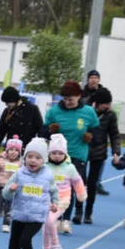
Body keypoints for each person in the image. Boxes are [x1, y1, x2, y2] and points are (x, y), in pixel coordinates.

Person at [2, 137, 58, 249]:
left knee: (25, 240)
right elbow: (5, 194)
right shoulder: (19, 174)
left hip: (37, 216)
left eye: (38, 158)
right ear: (24, 158)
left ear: (44, 160)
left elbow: (54, 191)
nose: (33, 161)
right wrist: (10, 190)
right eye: (30, 157)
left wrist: (55, 203)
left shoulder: (48, 175)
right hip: (19, 214)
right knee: (13, 245)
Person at [43, 80, 98, 225]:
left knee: (70, 187)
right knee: (54, 186)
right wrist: (51, 130)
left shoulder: (88, 112)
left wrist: (90, 137)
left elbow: (96, 131)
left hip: (77, 154)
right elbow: (43, 131)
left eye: (71, 99)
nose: (67, 102)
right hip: (56, 155)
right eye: (65, 99)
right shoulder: (54, 111)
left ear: (79, 96)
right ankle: (55, 215)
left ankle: (66, 219)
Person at [40, 134, 86, 249]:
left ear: (65, 154)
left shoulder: (70, 167)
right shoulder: (45, 166)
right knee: (46, 226)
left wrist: (81, 194)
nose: (57, 156)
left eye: (60, 153)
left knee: (49, 220)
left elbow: (77, 181)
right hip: (46, 200)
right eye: (53, 153)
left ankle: (55, 245)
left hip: (62, 200)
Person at [82, 88, 120, 224]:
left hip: (99, 151)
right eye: (105, 103)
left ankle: (88, 213)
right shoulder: (85, 110)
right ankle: (78, 210)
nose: (108, 106)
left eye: (109, 103)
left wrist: (116, 152)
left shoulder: (110, 115)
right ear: (98, 103)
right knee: (80, 181)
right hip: (83, 149)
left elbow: (114, 134)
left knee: (93, 183)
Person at [0, 86, 44, 158]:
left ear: (14, 100)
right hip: (10, 152)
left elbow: (41, 130)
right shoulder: (7, 112)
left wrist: (40, 149)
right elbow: (0, 134)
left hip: (27, 152)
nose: (6, 105)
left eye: (8, 102)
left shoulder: (32, 109)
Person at [80, 70, 111, 196]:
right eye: (91, 77)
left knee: (100, 158)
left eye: (96, 77)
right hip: (86, 130)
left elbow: (108, 108)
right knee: (83, 159)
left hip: (100, 130)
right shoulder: (83, 93)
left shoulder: (103, 92)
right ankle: (81, 181)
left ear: (99, 79)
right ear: (88, 79)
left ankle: (97, 182)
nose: (93, 80)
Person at [0, 136, 24, 232]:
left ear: (19, 152)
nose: (13, 152)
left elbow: (25, 175)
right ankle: (0, 211)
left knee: (9, 207)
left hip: (12, 189)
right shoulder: (0, 161)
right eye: (11, 149)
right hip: (0, 187)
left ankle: (6, 224)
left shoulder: (21, 164)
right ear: (6, 150)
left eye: (16, 150)